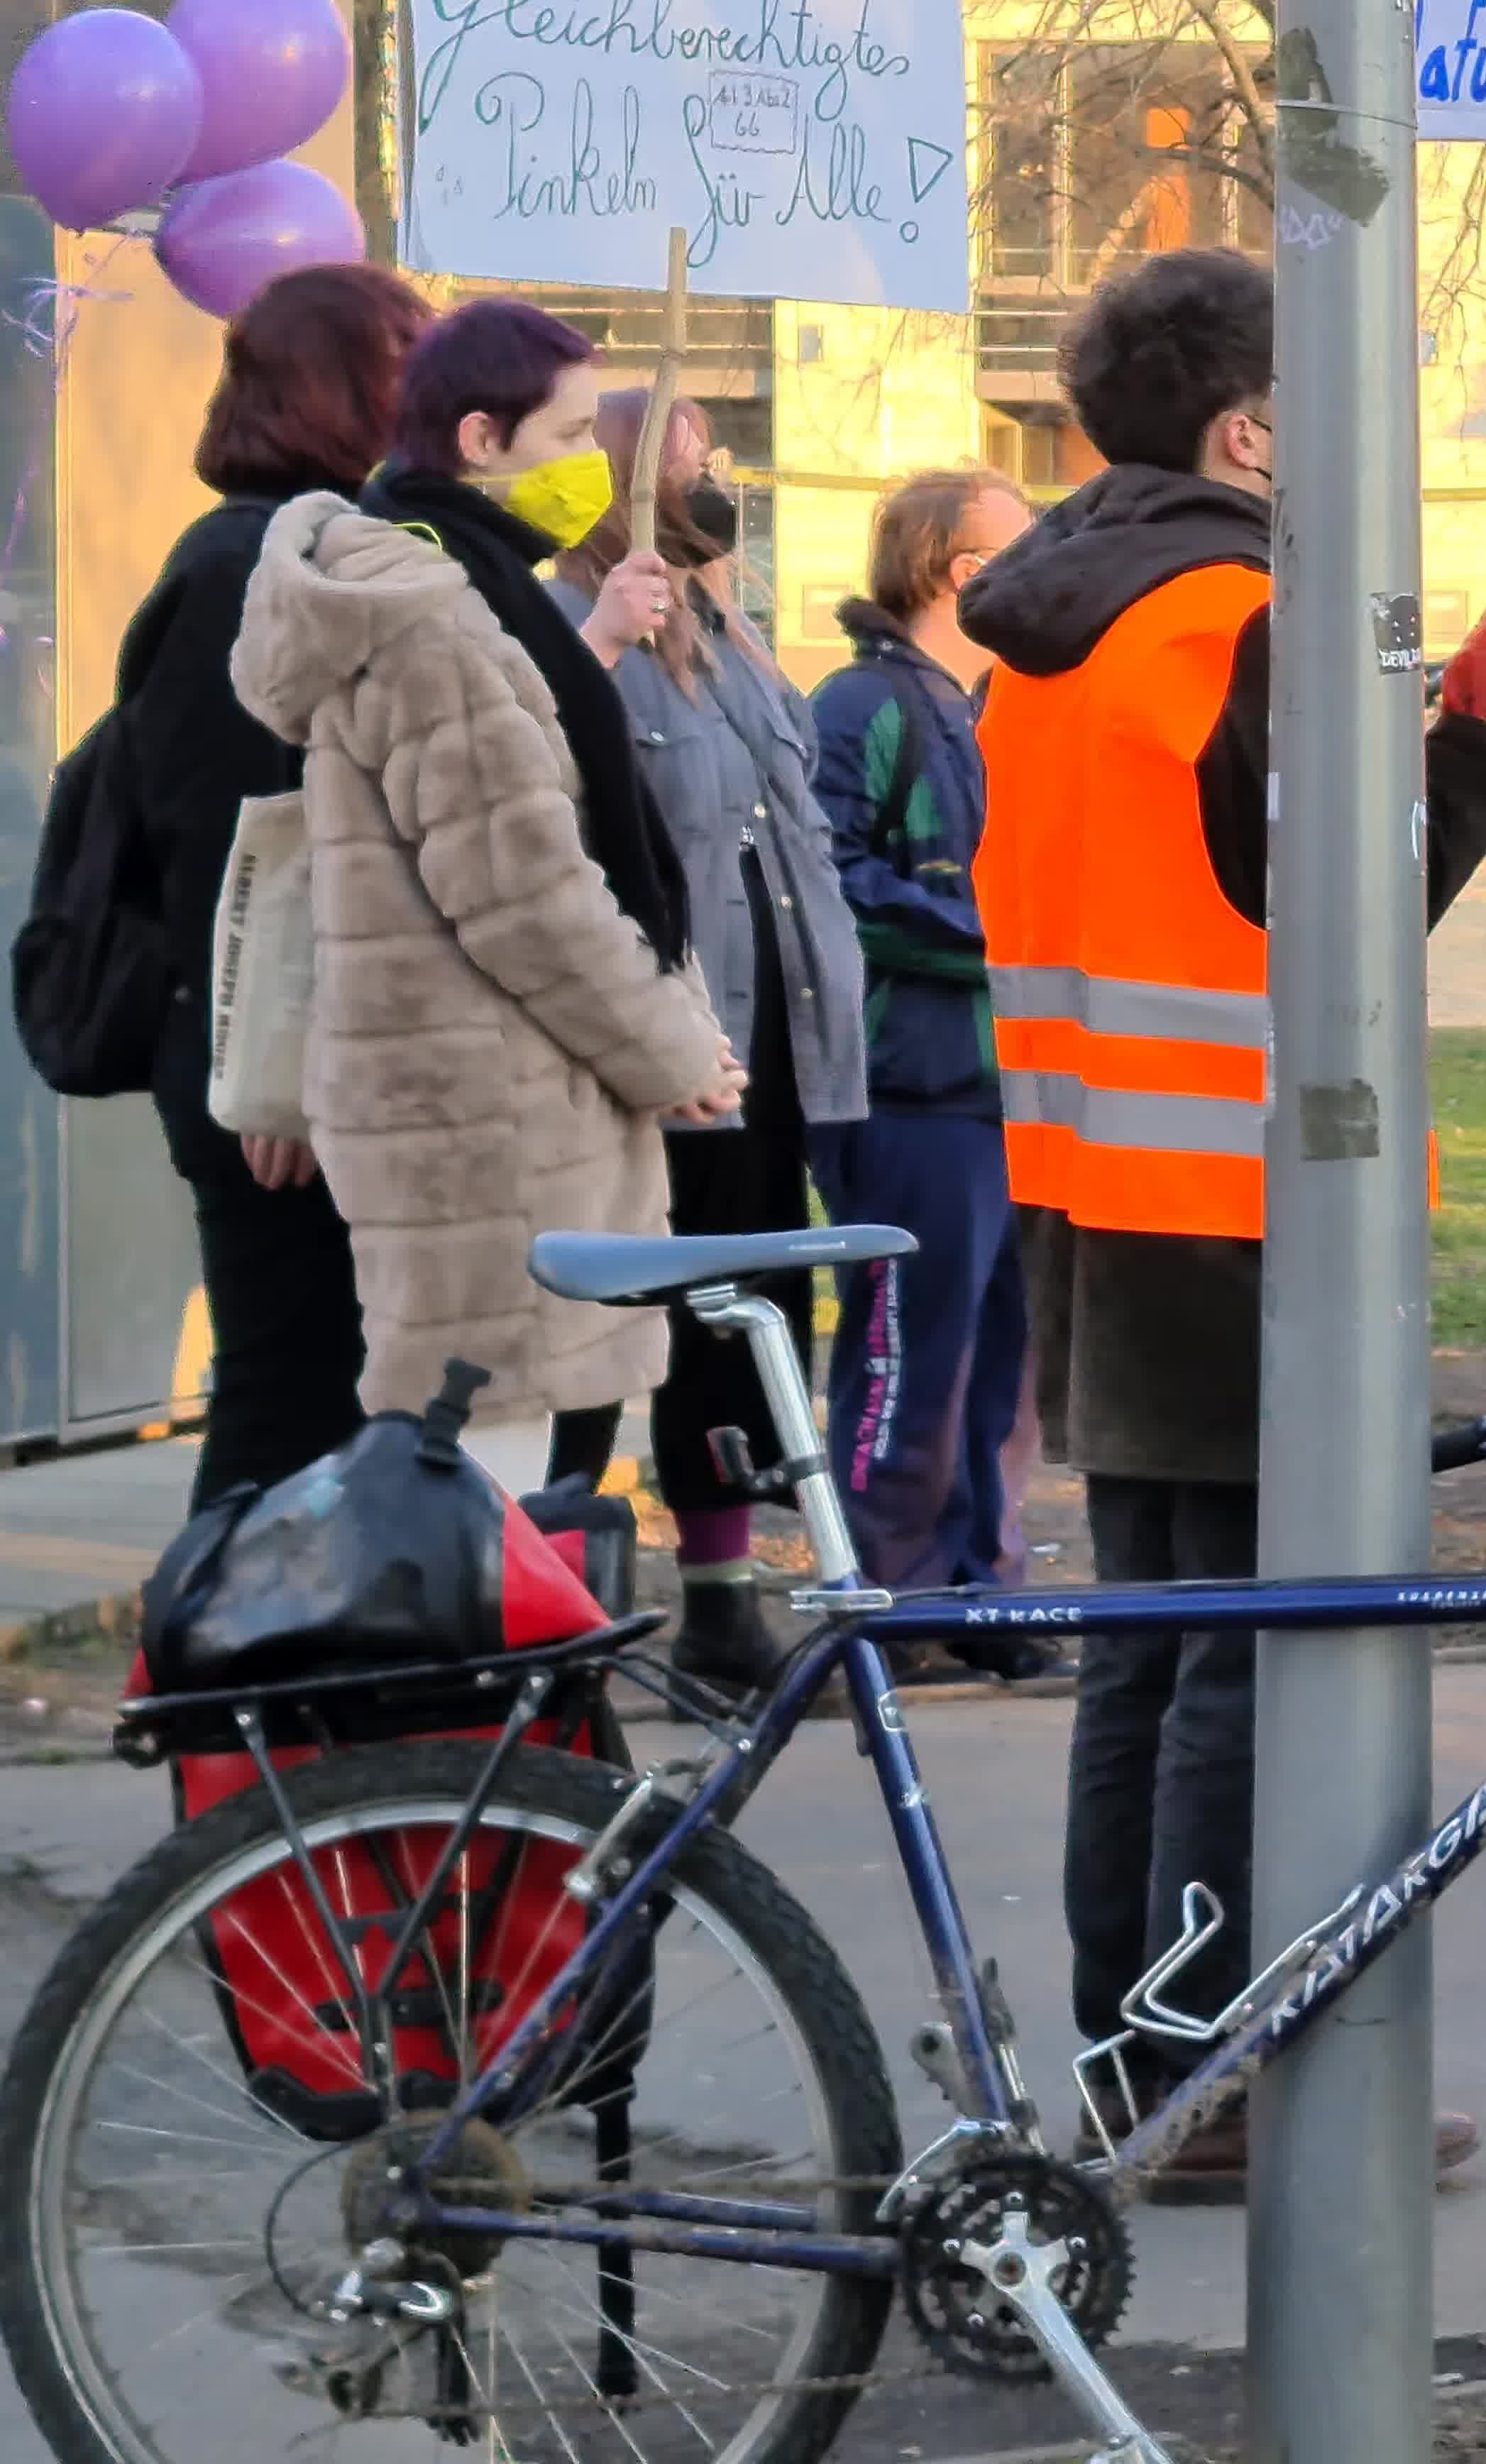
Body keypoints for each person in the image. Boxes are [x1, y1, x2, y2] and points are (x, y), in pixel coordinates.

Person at [965, 246, 1486, 2198]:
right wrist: (1479, 731)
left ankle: (1143, 2056)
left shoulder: (1056, 626)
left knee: (1152, 1648)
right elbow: (1354, 925)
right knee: (1234, 1653)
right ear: (1244, 429)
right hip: (1231, 1198)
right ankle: (1203, 2072)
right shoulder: (1241, 614)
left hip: (1085, 1183)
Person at [226, 297, 740, 1495]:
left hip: (490, 1102)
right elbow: (524, 894)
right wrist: (674, 1048)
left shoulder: (463, 590)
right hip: (486, 1121)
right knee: (494, 1494)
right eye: (567, 439)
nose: (586, 471)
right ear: (478, 439)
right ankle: (486, 1694)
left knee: (513, 1487)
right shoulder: (437, 617)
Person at [552, 393, 873, 1693]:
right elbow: (536, 793)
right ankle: (558, 1593)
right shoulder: (589, 634)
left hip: (771, 1034)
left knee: (744, 1315)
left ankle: (724, 1589)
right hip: (655, 1032)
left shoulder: (738, 640)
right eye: (690, 462)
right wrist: (597, 640)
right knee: (617, 1312)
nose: (715, 480)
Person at [123, 262, 416, 1507]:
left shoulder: (306, 553)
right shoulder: (249, 569)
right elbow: (245, 850)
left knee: (320, 1406)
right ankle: (200, 1693)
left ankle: (289, 1691)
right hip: (269, 1078)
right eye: (413, 369)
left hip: (303, 1063)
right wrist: (279, 1074)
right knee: (279, 1406)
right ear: (348, 387)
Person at [809, 465, 1047, 1661]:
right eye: (1023, 546)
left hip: (1011, 1094)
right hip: (911, 1092)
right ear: (963, 572)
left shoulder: (1002, 707)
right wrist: (996, 948)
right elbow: (831, 887)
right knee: (909, 1352)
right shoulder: (860, 708)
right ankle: (887, 1596)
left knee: (1006, 1361)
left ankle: (983, 1592)